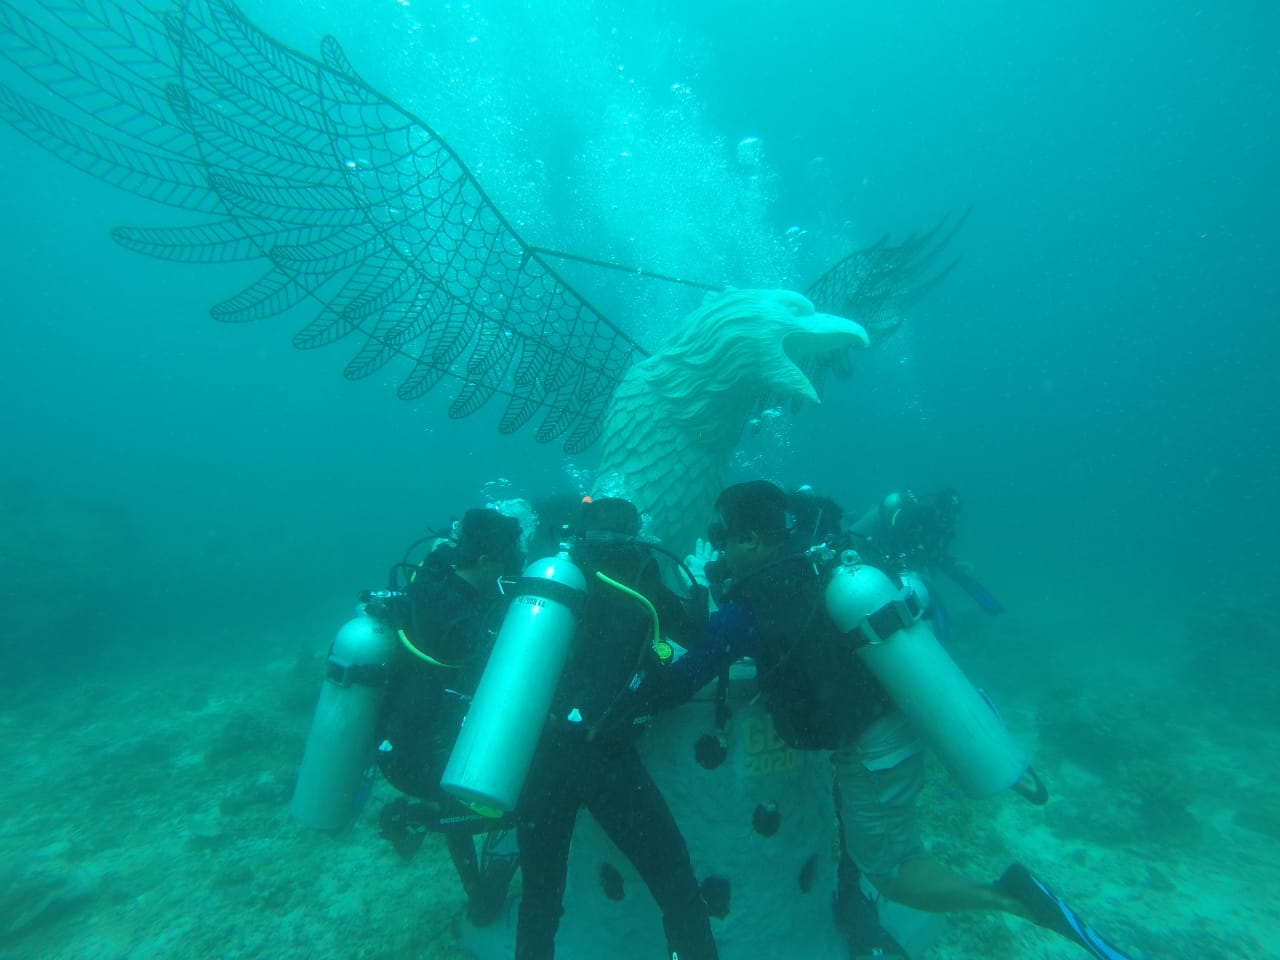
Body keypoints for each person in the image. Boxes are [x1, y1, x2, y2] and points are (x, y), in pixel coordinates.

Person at [657, 480, 1136, 960]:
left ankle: (1010, 897)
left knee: (892, 870)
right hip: (900, 714)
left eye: (724, 540)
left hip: (873, 753)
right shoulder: (815, 558)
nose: (721, 551)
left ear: (750, 541)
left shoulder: (752, 604)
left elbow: (687, 675)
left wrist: (626, 700)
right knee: (877, 838)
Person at [514, 496, 717, 960]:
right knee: (675, 882)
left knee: (540, 891)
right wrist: (701, 589)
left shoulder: (549, 577)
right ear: (635, 532)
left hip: (539, 755)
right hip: (602, 758)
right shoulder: (641, 577)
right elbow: (691, 636)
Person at [375, 507, 525, 926]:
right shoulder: (462, 620)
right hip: (421, 752)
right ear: (482, 561)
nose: (511, 562)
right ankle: (415, 820)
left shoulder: (434, 577)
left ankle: (476, 889)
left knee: (460, 785)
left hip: (398, 738)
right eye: (505, 556)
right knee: (516, 805)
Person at [848, 487, 1004, 616]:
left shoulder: (945, 528)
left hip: (908, 556)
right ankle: (939, 636)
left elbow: (932, 551)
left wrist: (951, 561)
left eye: (954, 515)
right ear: (937, 509)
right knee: (929, 594)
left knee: (954, 576)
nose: (950, 520)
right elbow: (896, 549)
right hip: (883, 552)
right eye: (946, 514)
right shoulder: (912, 519)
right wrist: (916, 572)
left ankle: (995, 610)